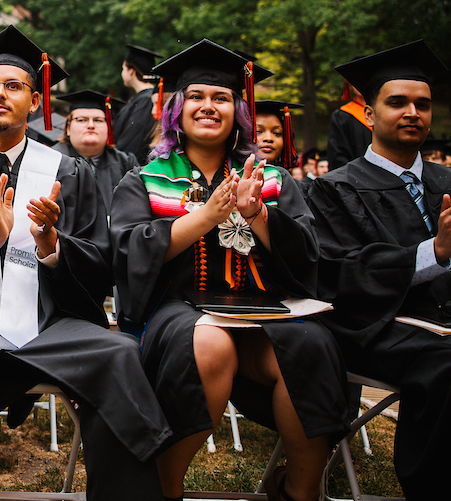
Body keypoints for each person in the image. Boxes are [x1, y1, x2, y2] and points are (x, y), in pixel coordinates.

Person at [0, 26, 170, 501]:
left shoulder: (69, 173)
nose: (2, 94)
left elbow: (101, 261)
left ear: (36, 102)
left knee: (119, 354)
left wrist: (51, 245)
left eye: (15, 86)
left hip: (50, 321)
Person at [111, 40, 346, 501]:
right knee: (211, 342)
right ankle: (165, 487)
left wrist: (258, 214)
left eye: (220, 98)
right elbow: (126, 253)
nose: (208, 106)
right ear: (176, 109)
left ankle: (299, 491)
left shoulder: (272, 179)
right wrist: (204, 217)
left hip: (264, 315)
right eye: (196, 97)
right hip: (178, 314)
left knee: (310, 342)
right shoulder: (145, 179)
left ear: (238, 109)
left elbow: (308, 256)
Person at [305, 40, 451, 500]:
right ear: (368, 114)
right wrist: (436, 252)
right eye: (398, 102)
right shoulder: (333, 190)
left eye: (422, 104)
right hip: (374, 327)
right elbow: (339, 275)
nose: (413, 112)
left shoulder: (447, 183)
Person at [53, 90, 140, 215]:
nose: (90, 125)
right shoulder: (52, 161)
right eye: (82, 120)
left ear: (109, 128)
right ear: (68, 128)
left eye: (98, 120)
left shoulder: (126, 163)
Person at [112, 43, 164, 164]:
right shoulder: (142, 98)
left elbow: (133, 141)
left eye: (123, 69)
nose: (122, 73)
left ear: (131, 71)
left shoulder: (146, 100)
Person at [326, 80, 373, 170]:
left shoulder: (385, 114)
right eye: (355, 80)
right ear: (349, 85)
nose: (359, 85)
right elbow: (337, 156)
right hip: (353, 178)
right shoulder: (342, 116)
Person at [255, 100, 303, 171]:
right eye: (258, 132)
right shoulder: (234, 177)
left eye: (277, 133)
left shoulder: (288, 180)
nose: (268, 138)